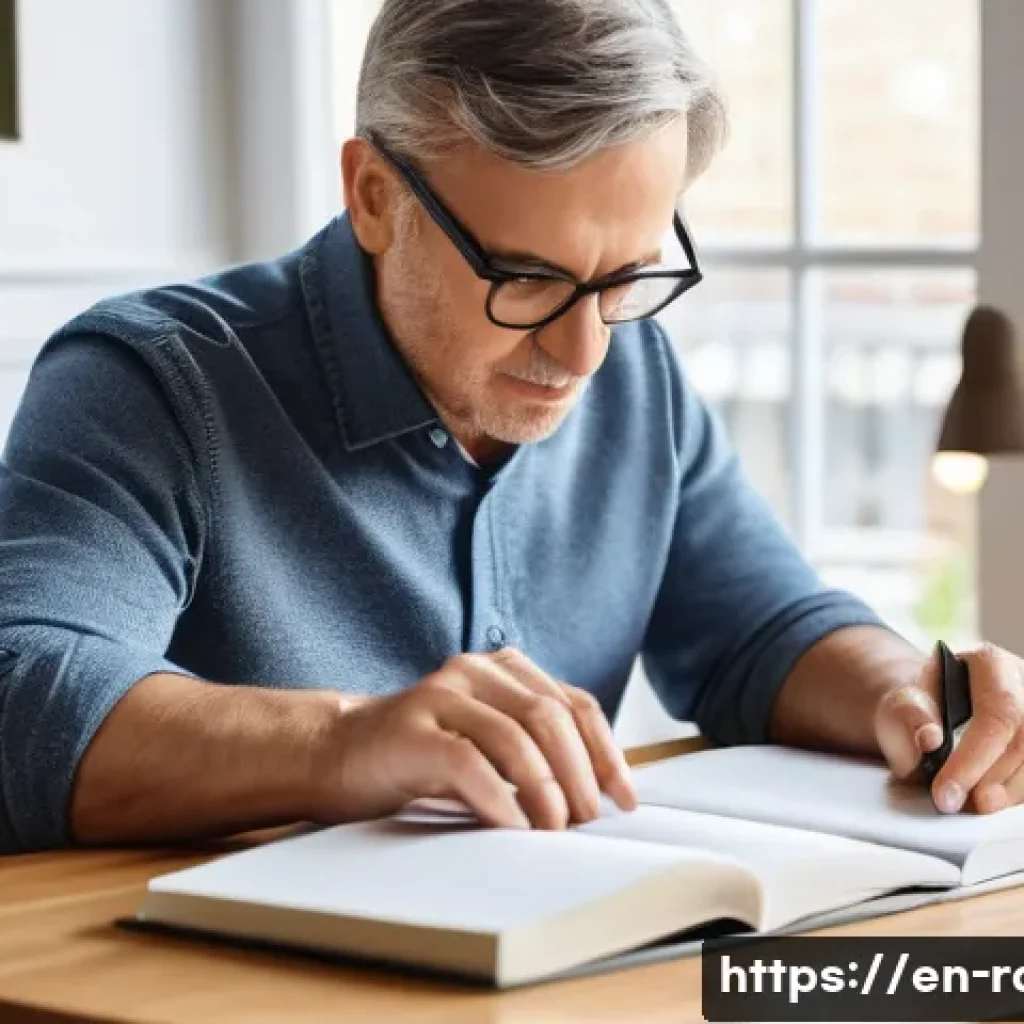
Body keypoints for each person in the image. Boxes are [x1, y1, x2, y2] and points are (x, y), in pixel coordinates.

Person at [1, 0, 1021, 856]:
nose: (583, 352)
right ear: (372, 195)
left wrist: (914, 696)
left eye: (625, 276)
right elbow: (25, 696)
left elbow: (757, 629)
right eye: (526, 277)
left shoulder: (635, 375)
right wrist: (346, 744)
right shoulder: (150, 383)